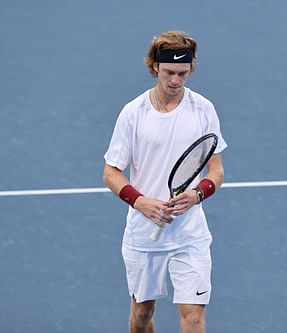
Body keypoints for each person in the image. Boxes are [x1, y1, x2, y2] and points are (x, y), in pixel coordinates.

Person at [102, 31, 227, 333]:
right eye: (169, 72)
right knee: (142, 314)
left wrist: (197, 194)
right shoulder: (133, 113)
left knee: (193, 317)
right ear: (155, 67)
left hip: (190, 234)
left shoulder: (203, 109)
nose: (175, 80)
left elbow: (217, 172)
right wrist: (141, 202)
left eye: (182, 73)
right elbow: (111, 173)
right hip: (144, 234)